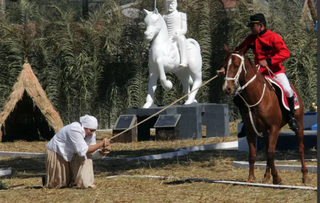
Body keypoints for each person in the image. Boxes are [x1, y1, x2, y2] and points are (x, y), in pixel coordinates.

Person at [234, 13, 299, 132]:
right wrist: (228, 65)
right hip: (258, 73)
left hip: (275, 72)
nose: (251, 29)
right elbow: (238, 51)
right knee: (238, 94)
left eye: (253, 26)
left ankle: (291, 117)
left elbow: (285, 53)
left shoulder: (274, 37)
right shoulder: (250, 39)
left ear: (260, 26)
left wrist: (269, 61)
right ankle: (246, 121)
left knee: (287, 89)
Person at [45, 115, 111, 189]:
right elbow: (83, 150)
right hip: (57, 151)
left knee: (86, 159)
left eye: (94, 130)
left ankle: (84, 183)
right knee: (58, 184)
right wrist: (101, 144)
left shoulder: (91, 134)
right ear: (84, 127)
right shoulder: (74, 129)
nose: (92, 133)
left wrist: (103, 152)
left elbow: (92, 152)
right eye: (91, 130)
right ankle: (48, 179)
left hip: (72, 152)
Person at [163, 0, 188, 67]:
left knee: (182, 39)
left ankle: (184, 60)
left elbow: (184, 29)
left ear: (176, 3)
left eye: (172, 3)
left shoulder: (181, 15)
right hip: (167, 38)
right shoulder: (164, 17)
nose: (170, 5)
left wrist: (179, 32)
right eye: (168, 4)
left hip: (177, 37)